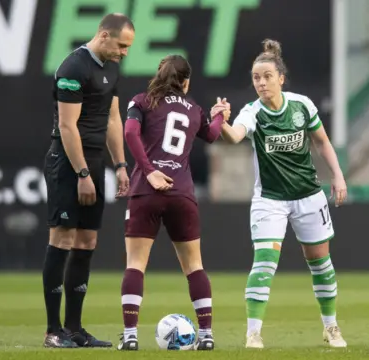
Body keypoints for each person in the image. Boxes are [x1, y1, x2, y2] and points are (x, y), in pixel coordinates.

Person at [220, 39, 349, 349]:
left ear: (280, 77)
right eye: (255, 78)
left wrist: (338, 176)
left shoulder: (301, 104)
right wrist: (222, 121)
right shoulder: (252, 112)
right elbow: (235, 136)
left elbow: (322, 142)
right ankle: (253, 333)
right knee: (264, 263)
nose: (261, 83)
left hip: (308, 195)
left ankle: (331, 327)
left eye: (266, 76)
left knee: (321, 264)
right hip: (270, 200)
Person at [117, 54, 229, 351]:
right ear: (186, 81)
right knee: (194, 266)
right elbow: (213, 134)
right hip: (181, 193)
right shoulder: (194, 109)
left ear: (159, 74)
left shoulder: (141, 101)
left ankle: (130, 336)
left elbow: (129, 132)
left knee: (136, 265)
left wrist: (151, 170)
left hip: (146, 191)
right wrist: (219, 114)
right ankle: (206, 335)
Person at [41, 13, 134, 348]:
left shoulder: (112, 67)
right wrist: (81, 173)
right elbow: (67, 127)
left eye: (128, 48)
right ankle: (53, 331)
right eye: (121, 45)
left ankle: (76, 329)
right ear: (103, 35)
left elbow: (112, 119)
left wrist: (120, 164)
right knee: (62, 238)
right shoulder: (73, 68)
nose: (124, 53)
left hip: (94, 162)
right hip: (67, 163)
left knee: (86, 243)